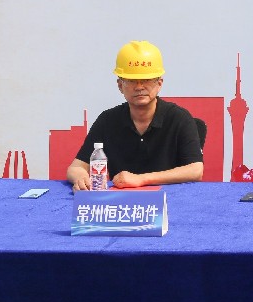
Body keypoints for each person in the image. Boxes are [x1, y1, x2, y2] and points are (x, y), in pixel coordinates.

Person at [67, 41, 204, 191]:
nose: (139, 87)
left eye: (146, 80)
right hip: (120, 200)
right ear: (120, 86)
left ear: (159, 83)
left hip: (169, 198)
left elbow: (195, 170)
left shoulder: (179, 118)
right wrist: (81, 178)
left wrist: (141, 179)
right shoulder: (107, 120)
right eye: (132, 81)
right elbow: (76, 167)